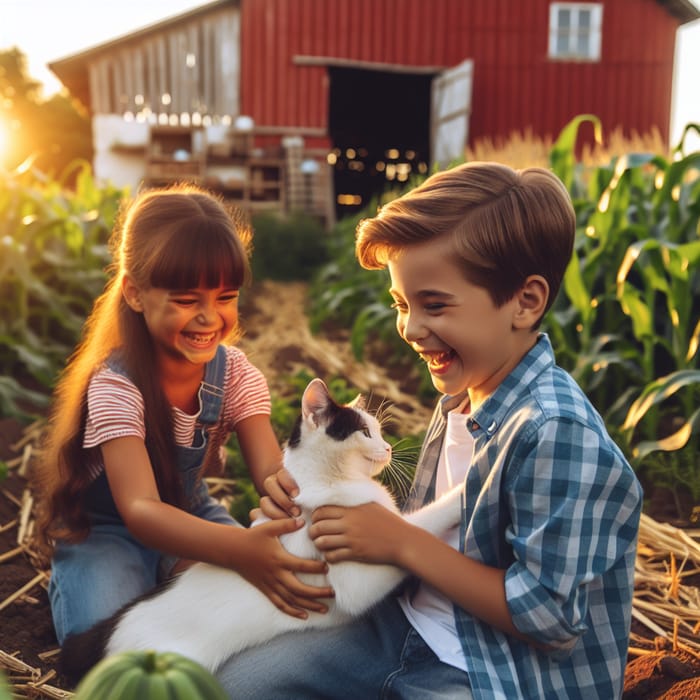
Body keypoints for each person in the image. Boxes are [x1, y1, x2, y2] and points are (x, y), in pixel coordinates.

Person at [216, 162, 643, 699]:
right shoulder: (460, 400)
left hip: (493, 670)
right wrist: (322, 523)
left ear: (525, 301)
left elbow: (549, 618)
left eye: (434, 305)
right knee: (232, 686)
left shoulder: (556, 433)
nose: (411, 329)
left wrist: (402, 543)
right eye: (401, 304)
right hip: (403, 626)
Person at [35, 183, 332, 645]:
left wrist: (297, 496)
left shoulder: (233, 374)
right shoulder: (116, 384)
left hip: (191, 513)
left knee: (253, 615)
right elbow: (139, 510)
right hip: (111, 529)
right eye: (187, 300)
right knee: (109, 645)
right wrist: (238, 549)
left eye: (225, 297)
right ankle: (80, 576)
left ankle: (168, 577)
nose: (210, 318)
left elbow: (272, 468)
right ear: (135, 294)